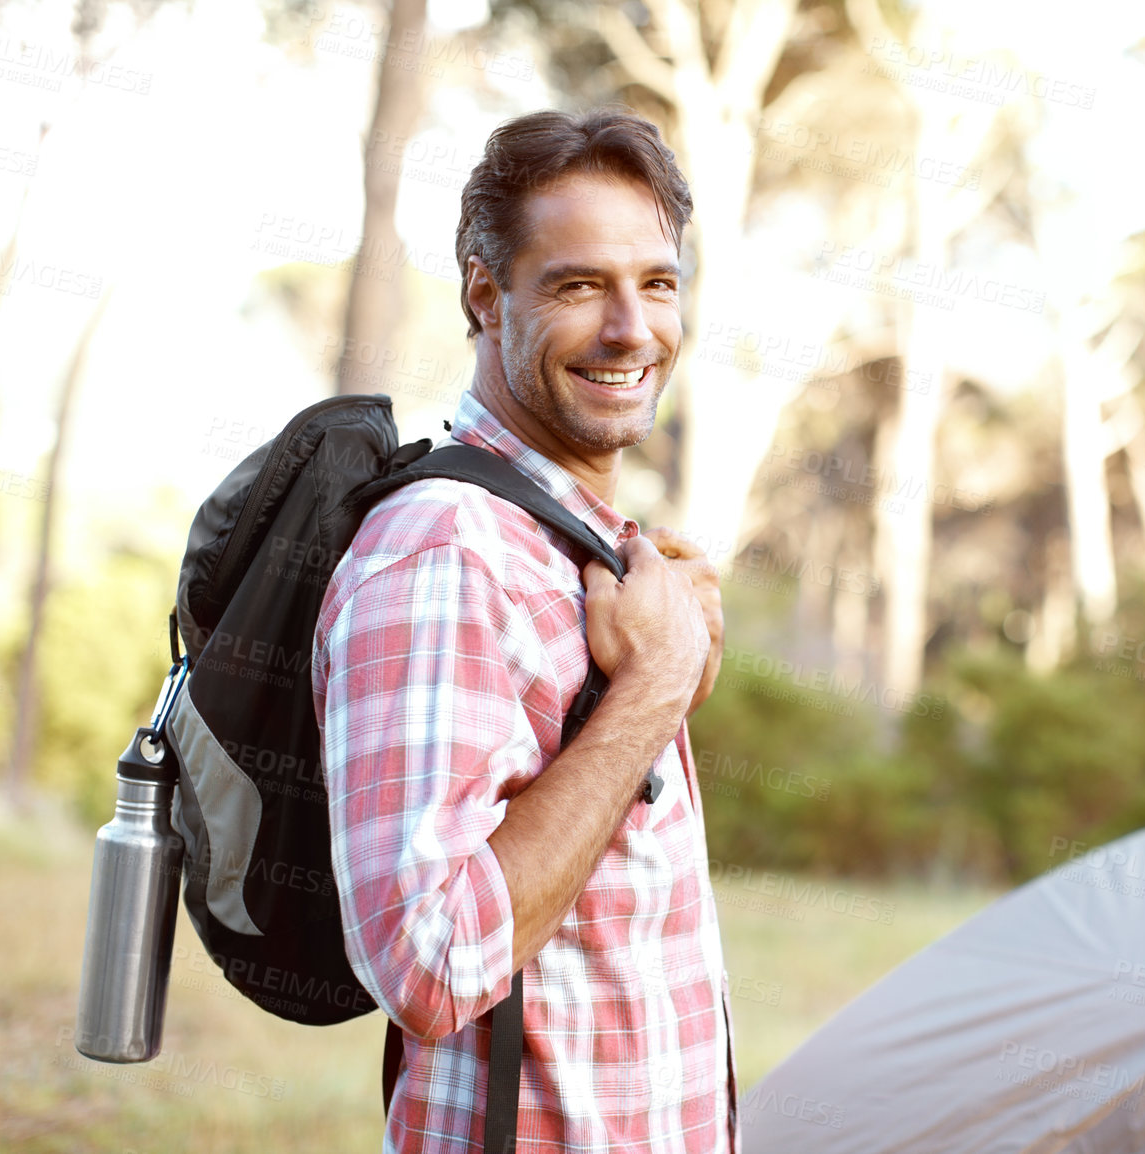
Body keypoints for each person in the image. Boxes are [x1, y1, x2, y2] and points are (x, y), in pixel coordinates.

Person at [312, 107, 736, 1153]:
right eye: (579, 284)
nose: (632, 327)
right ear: (483, 293)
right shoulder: (442, 551)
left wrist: (661, 671)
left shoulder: (566, 544)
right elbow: (431, 961)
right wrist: (648, 693)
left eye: (657, 281)